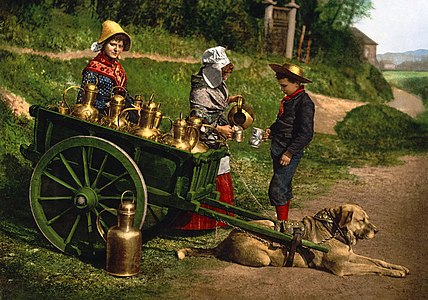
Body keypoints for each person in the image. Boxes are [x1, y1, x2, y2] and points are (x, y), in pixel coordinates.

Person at [173, 46, 241, 230]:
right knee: (207, 172)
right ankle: (198, 224)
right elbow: (199, 120)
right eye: (222, 71)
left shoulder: (217, 84)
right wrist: (219, 129)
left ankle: (221, 219)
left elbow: (216, 104)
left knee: (221, 167)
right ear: (212, 70)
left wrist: (230, 100)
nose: (225, 76)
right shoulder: (200, 91)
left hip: (217, 136)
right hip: (203, 137)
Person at [264, 63, 314, 229]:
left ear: (296, 83)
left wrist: (290, 152)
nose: (282, 89)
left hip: (288, 152)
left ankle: (282, 225)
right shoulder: (291, 99)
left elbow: (306, 134)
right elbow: (284, 122)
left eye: (284, 86)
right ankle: (284, 222)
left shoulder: (305, 103)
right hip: (279, 149)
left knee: (277, 189)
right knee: (284, 187)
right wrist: (271, 130)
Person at [76, 20, 135, 117]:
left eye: (120, 46)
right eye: (112, 44)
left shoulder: (119, 70)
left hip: (115, 114)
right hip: (95, 114)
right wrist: (104, 105)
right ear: (104, 44)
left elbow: (123, 94)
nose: (116, 50)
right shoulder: (93, 68)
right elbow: (83, 97)